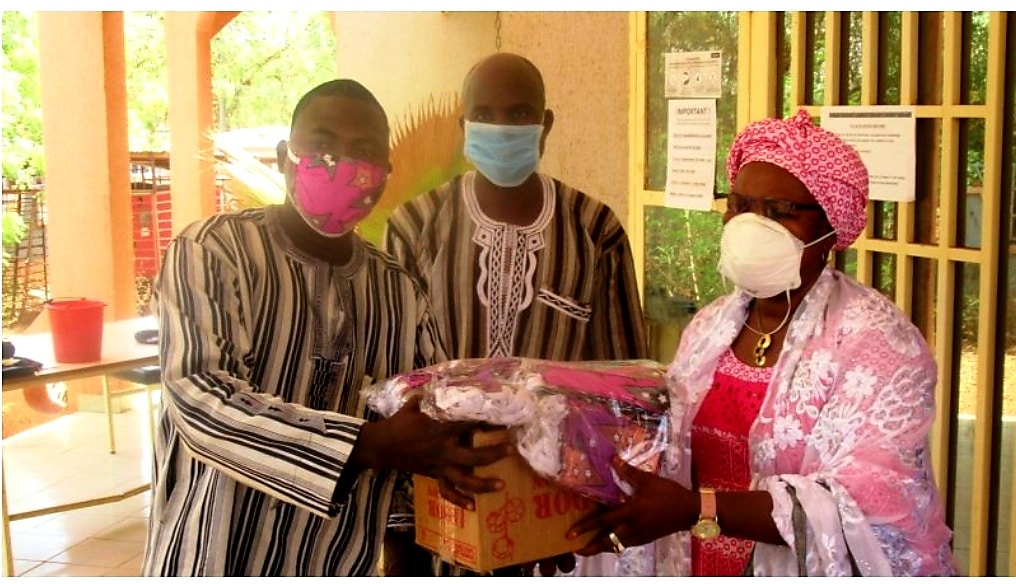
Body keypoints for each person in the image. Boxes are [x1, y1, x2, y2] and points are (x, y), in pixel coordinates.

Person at [141, 79, 512, 577]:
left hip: (337, 560)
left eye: (362, 152)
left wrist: (507, 508)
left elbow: (427, 421)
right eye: (321, 145)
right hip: (214, 550)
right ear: (284, 157)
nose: (340, 163)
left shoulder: (400, 292)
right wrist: (369, 445)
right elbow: (199, 395)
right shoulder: (213, 251)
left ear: (382, 175)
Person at [567, 109, 957, 576]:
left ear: (832, 226)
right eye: (739, 206)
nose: (750, 226)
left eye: (779, 211)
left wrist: (698, 509)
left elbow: (875, 503)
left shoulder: (878, 343)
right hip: (698, 560)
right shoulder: (711, 327)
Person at [382, 52, 650, 577]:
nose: (502, 127)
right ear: (464, 126)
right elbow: (391, 379)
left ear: (545, 125)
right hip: (436, 490)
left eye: (520, 113)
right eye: (486, 113)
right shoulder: (415, 226)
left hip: (550, 500)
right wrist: (400, 525)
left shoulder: (595, 231)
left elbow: (625, 386)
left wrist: (598, 499)